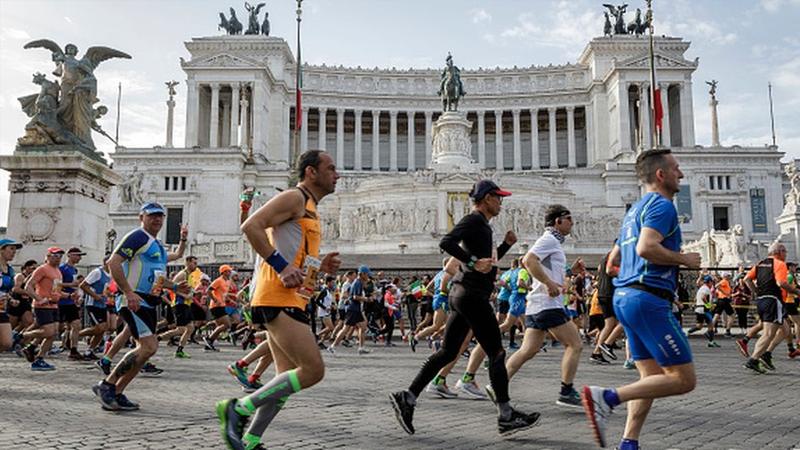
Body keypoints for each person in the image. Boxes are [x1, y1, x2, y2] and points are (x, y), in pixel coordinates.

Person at [390, 179, 540, 436]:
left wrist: (505, 246)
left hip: (465, 294)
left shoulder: (483, 225)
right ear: (486, 198)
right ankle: (505, 415)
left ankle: (409, 397)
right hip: (471, 295)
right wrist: (470, 261)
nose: (501, 202)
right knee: (497, 353)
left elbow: (487, 263)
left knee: (448, 352)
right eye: (498, 197)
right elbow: (447, 243)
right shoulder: (473, 220)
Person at [216, 149, 341, 450]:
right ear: (311, 172)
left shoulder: (309, 207)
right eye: (331, 168)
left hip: (293, 298)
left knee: (284, 379)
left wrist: (319, 266)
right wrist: (282, 266)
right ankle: (238, 409)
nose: (337, 174)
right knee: (313, 371)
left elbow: (295, 252)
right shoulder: (294, 198)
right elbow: (251, 226)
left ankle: (250, 440)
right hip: (276, 296)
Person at [581, 148, 701, 450]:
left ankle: (629, 442)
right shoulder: (662, 206)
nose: (681, 174)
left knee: (650, 377)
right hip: (648, 299)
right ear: (660, 175)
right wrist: (684, 259)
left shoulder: (632, 212)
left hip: (626, 297)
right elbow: (646, 248)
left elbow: (613, 263)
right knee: (684, 379)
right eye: (676, 169)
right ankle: (606, 398)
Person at [91, 202, 188, 411]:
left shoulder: (157, 245)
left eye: (161, 216)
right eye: (152, 215)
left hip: (148, 301)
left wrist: (176, 286)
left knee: (145, 351)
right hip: (134, 300)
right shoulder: (137, 236)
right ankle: (107, 385)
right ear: (141, 217)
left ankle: (117, 392)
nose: (157, 219)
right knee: (148, 347)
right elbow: (113, 263)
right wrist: (127, 291)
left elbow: (157, 277)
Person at [496, 205, 584, 408]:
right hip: (548, 304)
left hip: (537, 305)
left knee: (528, 349)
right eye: (569, 218)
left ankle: (498, 384)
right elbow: (529, 260)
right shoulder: (549, 240)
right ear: (557, 221)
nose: (572, 223)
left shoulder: (553, 243)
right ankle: (566, 390)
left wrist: (570, 269)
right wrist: (548, 283)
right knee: (575, 344)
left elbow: (547, 267)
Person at [741, 242, 800, 373]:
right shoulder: (780, 264)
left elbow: (746, 279)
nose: (786, 254)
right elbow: (781, 283)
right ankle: (754, 360)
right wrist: (797, 292)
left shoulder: (760, 264)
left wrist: (757, 291)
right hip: (774, 300)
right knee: (768, 333)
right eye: (785, 251)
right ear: (779, 252)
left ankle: (766, 354)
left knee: (785, 330)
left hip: (762, 300)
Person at [19, 247, 66, 370]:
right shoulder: (42, 269)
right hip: (42, 306)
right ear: (48, 256)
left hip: (54, 305)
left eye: (60, 256)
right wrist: (39, 299)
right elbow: (28, 286)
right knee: (48, 331)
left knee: (53, 333)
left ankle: (38, 357)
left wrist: (69, 295)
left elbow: (56, 290)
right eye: (55, 256)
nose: (58, 258)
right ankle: (22, 336)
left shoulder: (58, 271)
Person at [78, 257, 113, 359]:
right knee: (100, 327)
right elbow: (83, 285)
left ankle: (90, 350)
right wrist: (95, 296)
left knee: (103, 329)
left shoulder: (111, 275)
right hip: (93, 304)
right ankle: (77, 334)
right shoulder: (97, 272)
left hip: (103, 304)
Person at [59, 247, 86, 360]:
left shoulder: (74, 270)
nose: (79, 258)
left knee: (76, 324)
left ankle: (73, 349)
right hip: (61, 300)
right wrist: (70, 285)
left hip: (71, 301)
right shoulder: (62, 269)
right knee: (56, 327)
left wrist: (77, 295)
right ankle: (30, 342)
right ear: (69, 255)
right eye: (77, 255)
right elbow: (56, 284)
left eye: (80, 256)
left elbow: (74, 286)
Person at [204, 265, 235, 351]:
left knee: (220, 326)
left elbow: (224, 294)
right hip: (216, 306)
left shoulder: (228, 281)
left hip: (222, 305)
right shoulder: (218, 281)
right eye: (229, 271)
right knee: (227, 324)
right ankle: (209, 339)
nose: (230, 273)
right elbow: (208, 291)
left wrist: (229, 300)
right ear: (224, 272)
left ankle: (209, 344)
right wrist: (215, 299)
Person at [0, 238, 23, 351]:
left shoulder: (10, 270)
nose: (14, 252)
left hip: (2, 309)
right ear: (1, 250)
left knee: (7, 343)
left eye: (15, 249)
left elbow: (5, 290)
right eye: (11, 248)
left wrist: (11, 299)